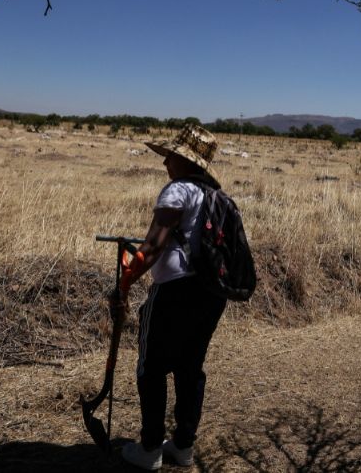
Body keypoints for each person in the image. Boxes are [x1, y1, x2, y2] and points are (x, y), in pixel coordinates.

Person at [118, 124, 227, 470]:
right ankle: (182, 446)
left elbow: (152, 246)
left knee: (151, 368)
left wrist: (124, 283)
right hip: (210, 294)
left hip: (174, 292)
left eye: (171, 157)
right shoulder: (214, 195)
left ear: (186, 161)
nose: (165, 163)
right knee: (189, 368)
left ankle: (150, 448)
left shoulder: (178, 190)